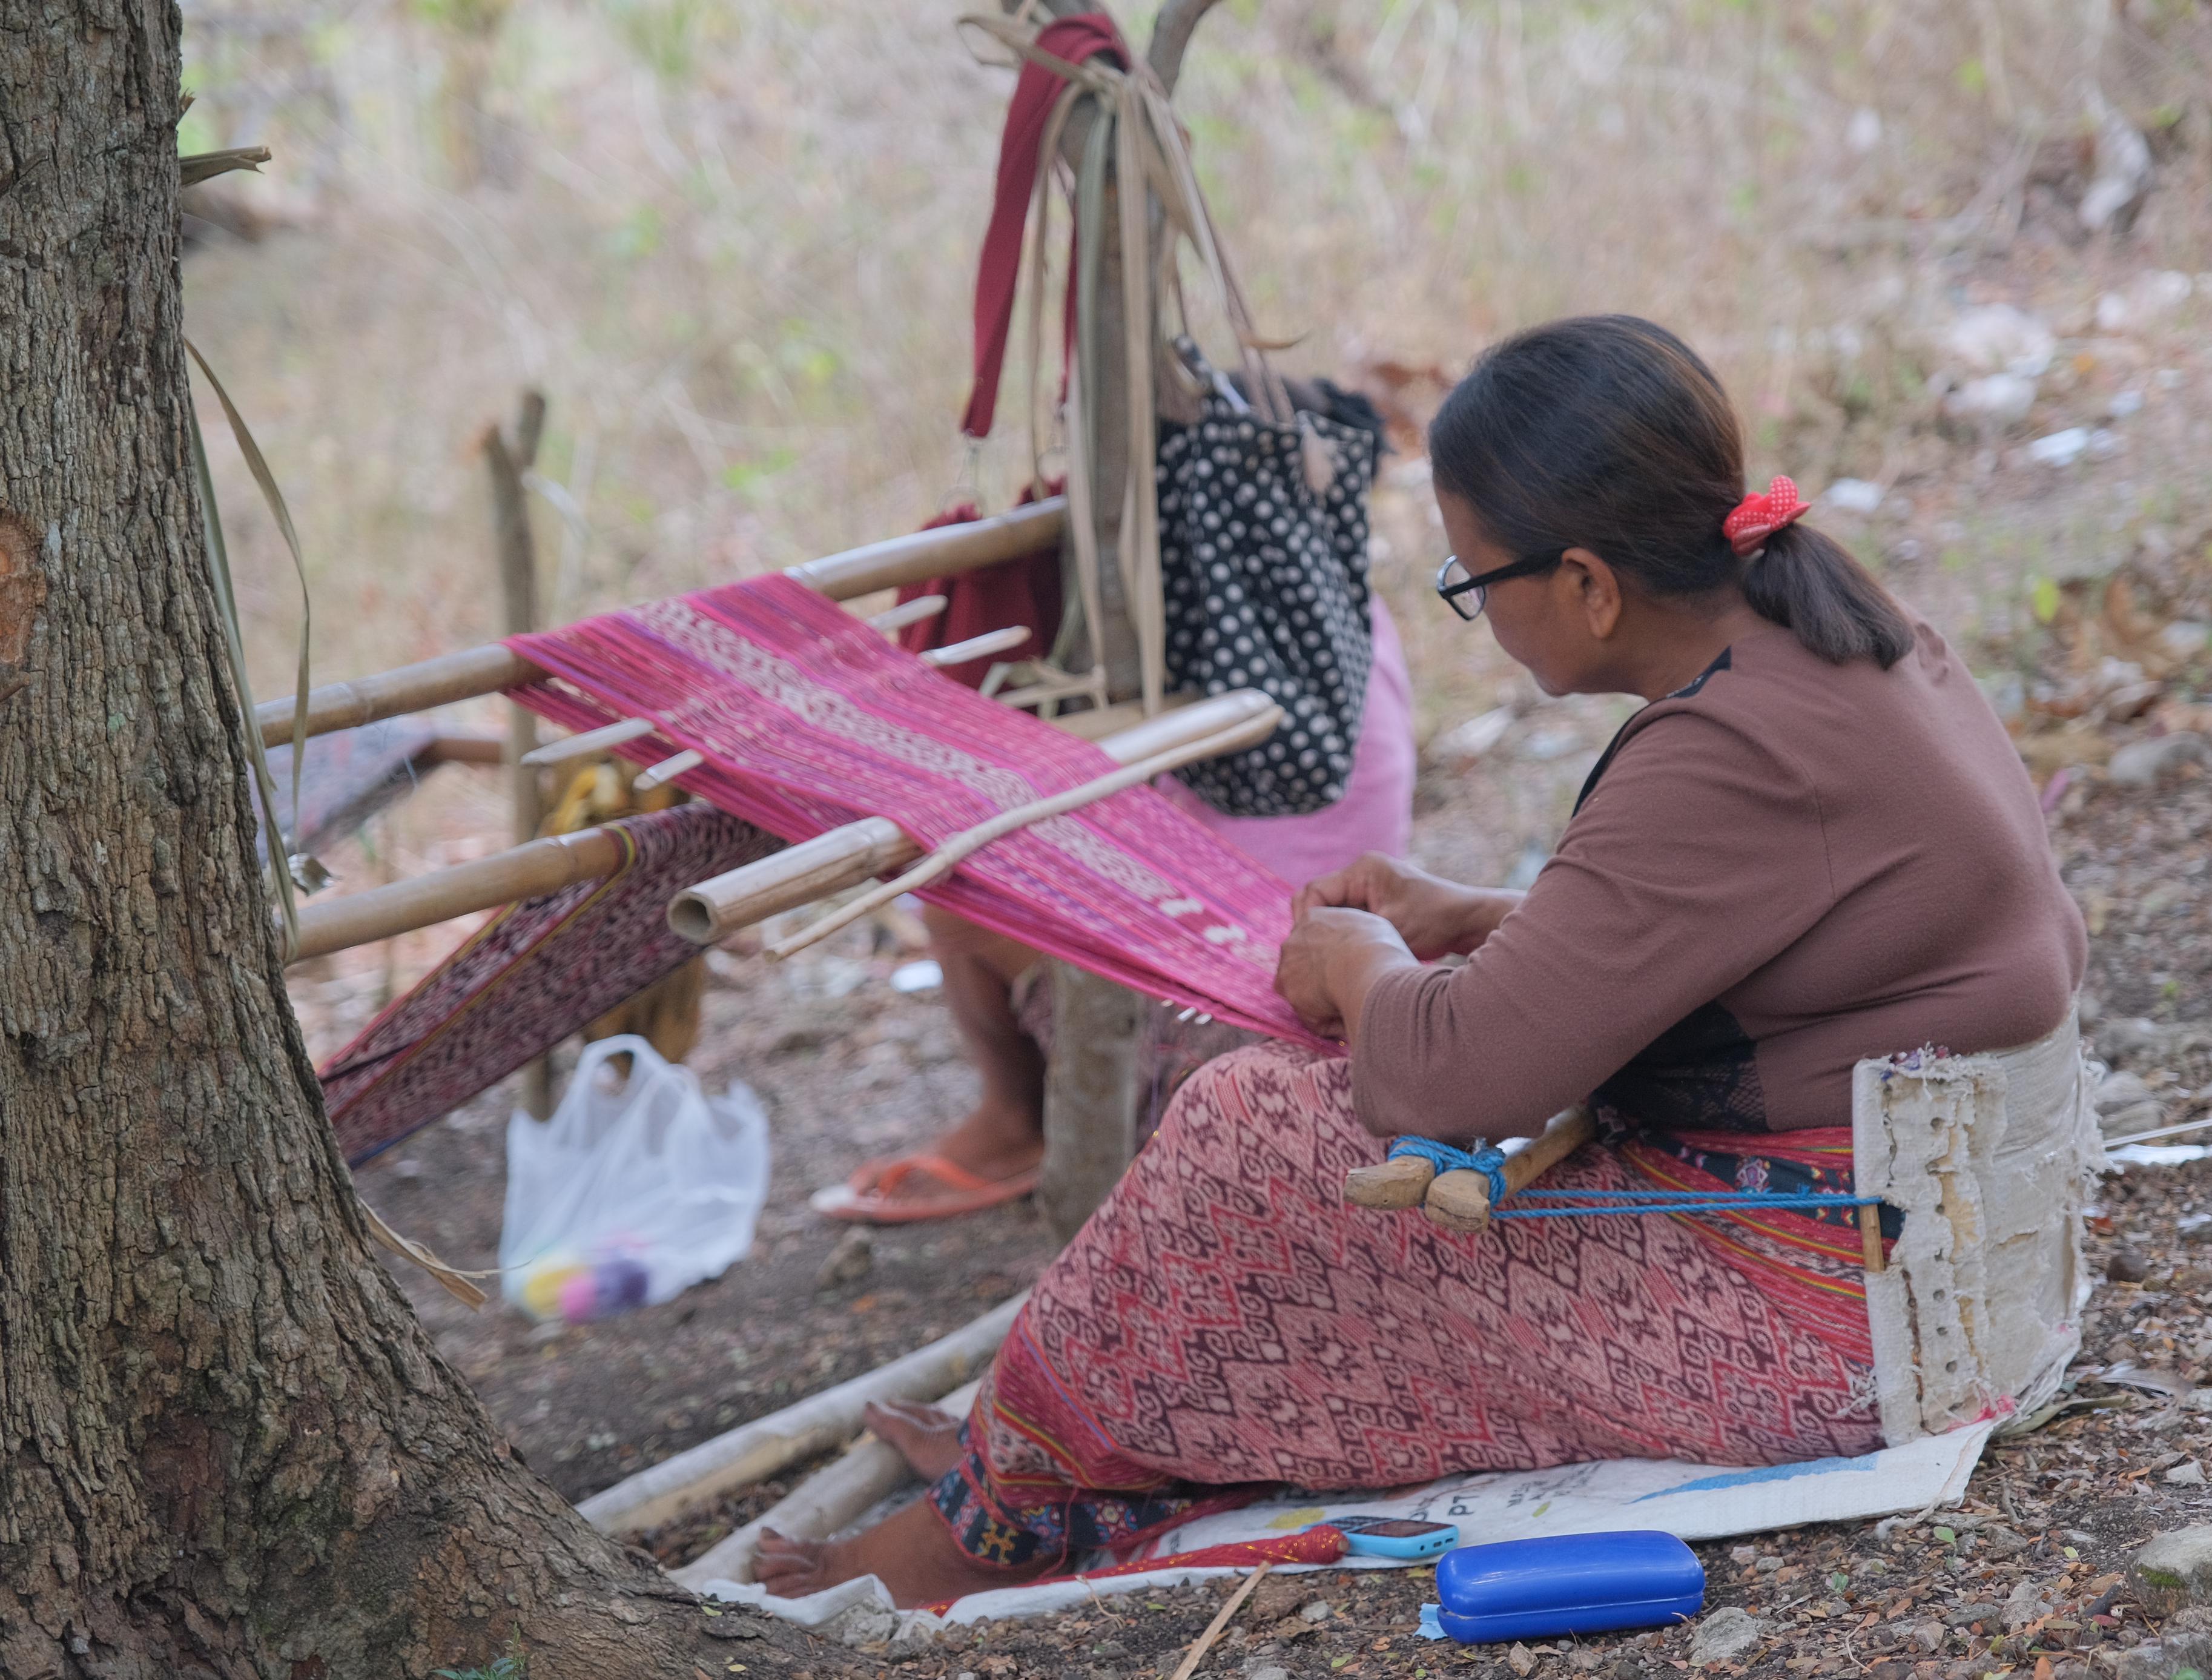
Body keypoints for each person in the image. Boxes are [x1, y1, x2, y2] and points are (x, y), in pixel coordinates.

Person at [758, 314, 2087, 1605]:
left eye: (1473, 581)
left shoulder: (1730, 749)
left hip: (1837, 1317)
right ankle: (1051, 1445)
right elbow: (1780, 921)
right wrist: (1489, 910)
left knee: (1247, 1130)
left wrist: (1357, 956)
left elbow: (1459, 1082)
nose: (1476, 613)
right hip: (1926, 1259)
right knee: (1282, 1179)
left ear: (1585, 582)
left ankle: (1002, 1508)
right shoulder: (1836, 627)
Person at [810, 598, 1418, 1222]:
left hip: (1252, 999)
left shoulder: (1203, 607)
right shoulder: (1338, 602)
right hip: (1338, 968)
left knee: (956, 899)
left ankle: (1017, 1123)